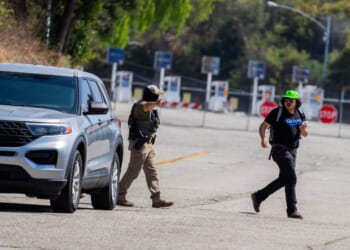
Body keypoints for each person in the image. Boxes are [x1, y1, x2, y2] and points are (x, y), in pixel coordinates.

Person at [251, 90, 308, 219]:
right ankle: (292, 210)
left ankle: (258, 196)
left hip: (293, 152)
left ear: (296, 102)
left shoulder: (300, 113)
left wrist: (304, 130)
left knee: (285, 179)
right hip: (279, 150)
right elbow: (263, 126)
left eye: (291, 100)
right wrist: (263, 138)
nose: (288, 102)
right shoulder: (278, 112)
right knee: (292, 178)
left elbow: (305, 134)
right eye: (286, 100)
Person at [117, 85, 174, 208]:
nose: (158, 96)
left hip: (148, 144)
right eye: (156, 94)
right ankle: (119, 195)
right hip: (140, 144)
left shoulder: (151, 107)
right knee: (133, 171)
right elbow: (145, 107)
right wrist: (156, 103)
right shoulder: (140, 105)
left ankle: (156, 198)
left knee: (152, 171)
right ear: (151, 95)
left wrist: (155, 104)